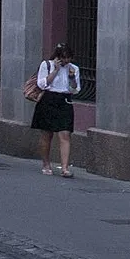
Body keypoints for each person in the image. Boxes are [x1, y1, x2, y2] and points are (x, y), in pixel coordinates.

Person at [31, 43, 80, 176]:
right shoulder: (46, 65)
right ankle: (46, 164)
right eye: (63, 58)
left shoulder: (73, 69)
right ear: (57, 57)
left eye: (68, 58)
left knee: (65, 133)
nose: (66, 61)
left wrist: (71, 77)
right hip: (48, 99)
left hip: (64, 100)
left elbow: (75, 89)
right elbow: (42, 84)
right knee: (47, 134)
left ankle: (64, 168)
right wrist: (56, 70)